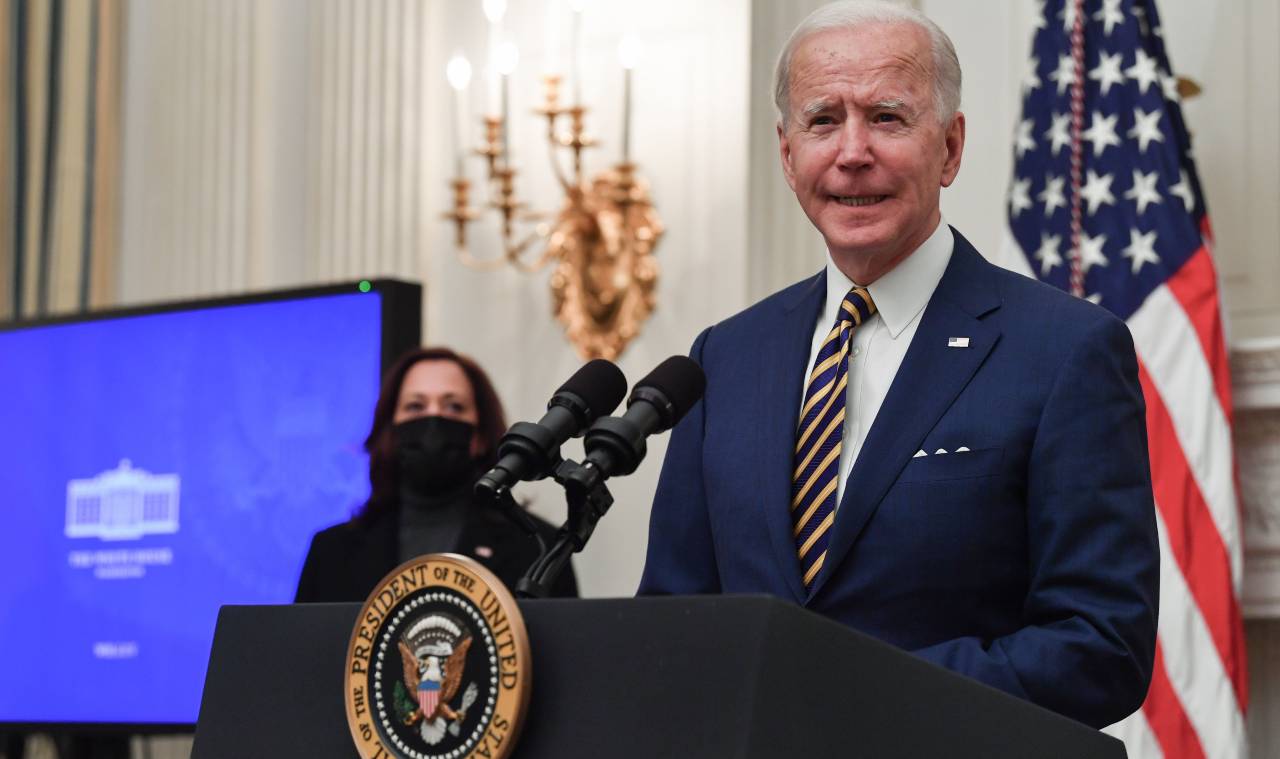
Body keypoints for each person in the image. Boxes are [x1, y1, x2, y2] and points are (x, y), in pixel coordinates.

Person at [638, 1, 1157, 729]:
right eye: (823, 121)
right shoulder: (723, 357)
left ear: (949, 147)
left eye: (886, 117)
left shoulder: (1066, 350)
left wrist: (855, 691)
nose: (852, 151)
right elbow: (672, 623)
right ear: (788, 156)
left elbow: (1101, 645)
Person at [296, 346, 577, 602]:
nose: (433, 420)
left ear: (479, 436)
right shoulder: (331, 552)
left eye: (453, 406)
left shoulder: (538, 549)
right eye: (415, 406)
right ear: (391, 431)